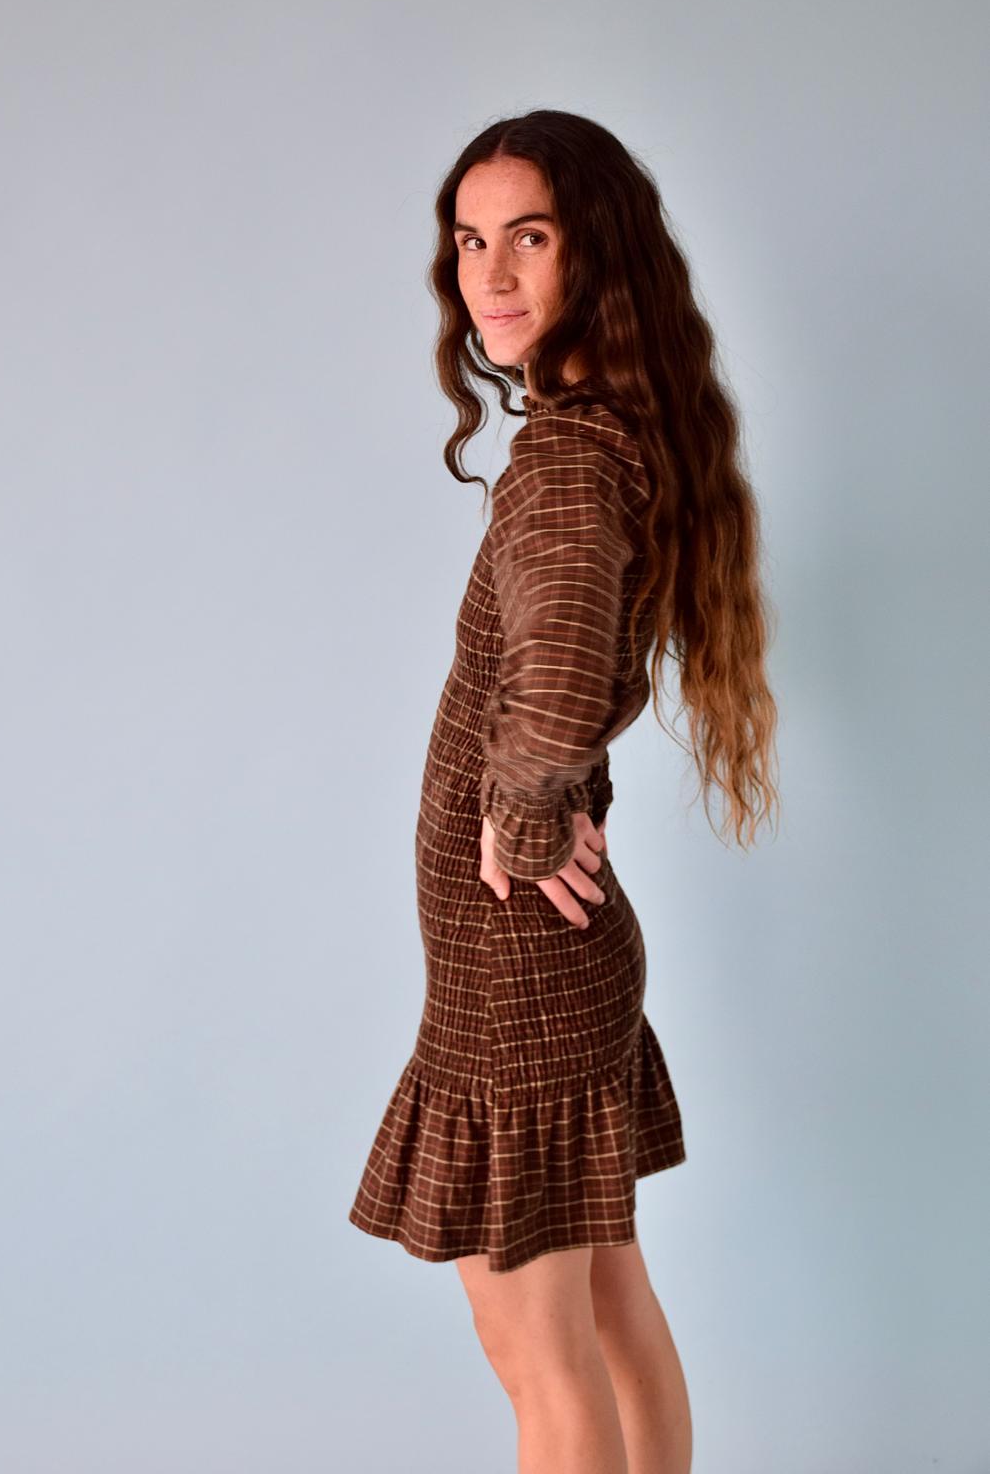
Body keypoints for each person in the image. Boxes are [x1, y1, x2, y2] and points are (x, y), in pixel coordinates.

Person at [348, 108, 779, 1474]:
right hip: (549, 957)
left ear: (595, 248)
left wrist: (526, 819)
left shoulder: (566, 462)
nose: (488, 273)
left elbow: (551, 679)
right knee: (604, 1312)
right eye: (469, 240)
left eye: (526, 237)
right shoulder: (607, 437)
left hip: (518, 965)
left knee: (535, 1352)